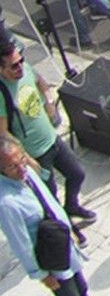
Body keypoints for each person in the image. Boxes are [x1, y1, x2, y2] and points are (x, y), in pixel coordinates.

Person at [0, 40, 91, 227]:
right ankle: (67, 228)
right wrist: (25, 158)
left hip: (52, 139)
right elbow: (3, 134)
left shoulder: (25, 69)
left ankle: (72, 206)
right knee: (50, 196)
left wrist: (49, 102)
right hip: (35, 153)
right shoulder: (1, 94)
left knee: (77, 174)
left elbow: (40, 81)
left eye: (21, 61)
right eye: (14, 66)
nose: (20, 68)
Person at [0, 133, 86, 296]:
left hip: (64, 242)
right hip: (51, 257)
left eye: (22, 160)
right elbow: (20, 244)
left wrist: (68, 229)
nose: (20, 168)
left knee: (82, 288)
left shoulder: (27, 172)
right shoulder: (6, 204)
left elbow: (49, 202)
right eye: (12, 166)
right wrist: (41, 275)